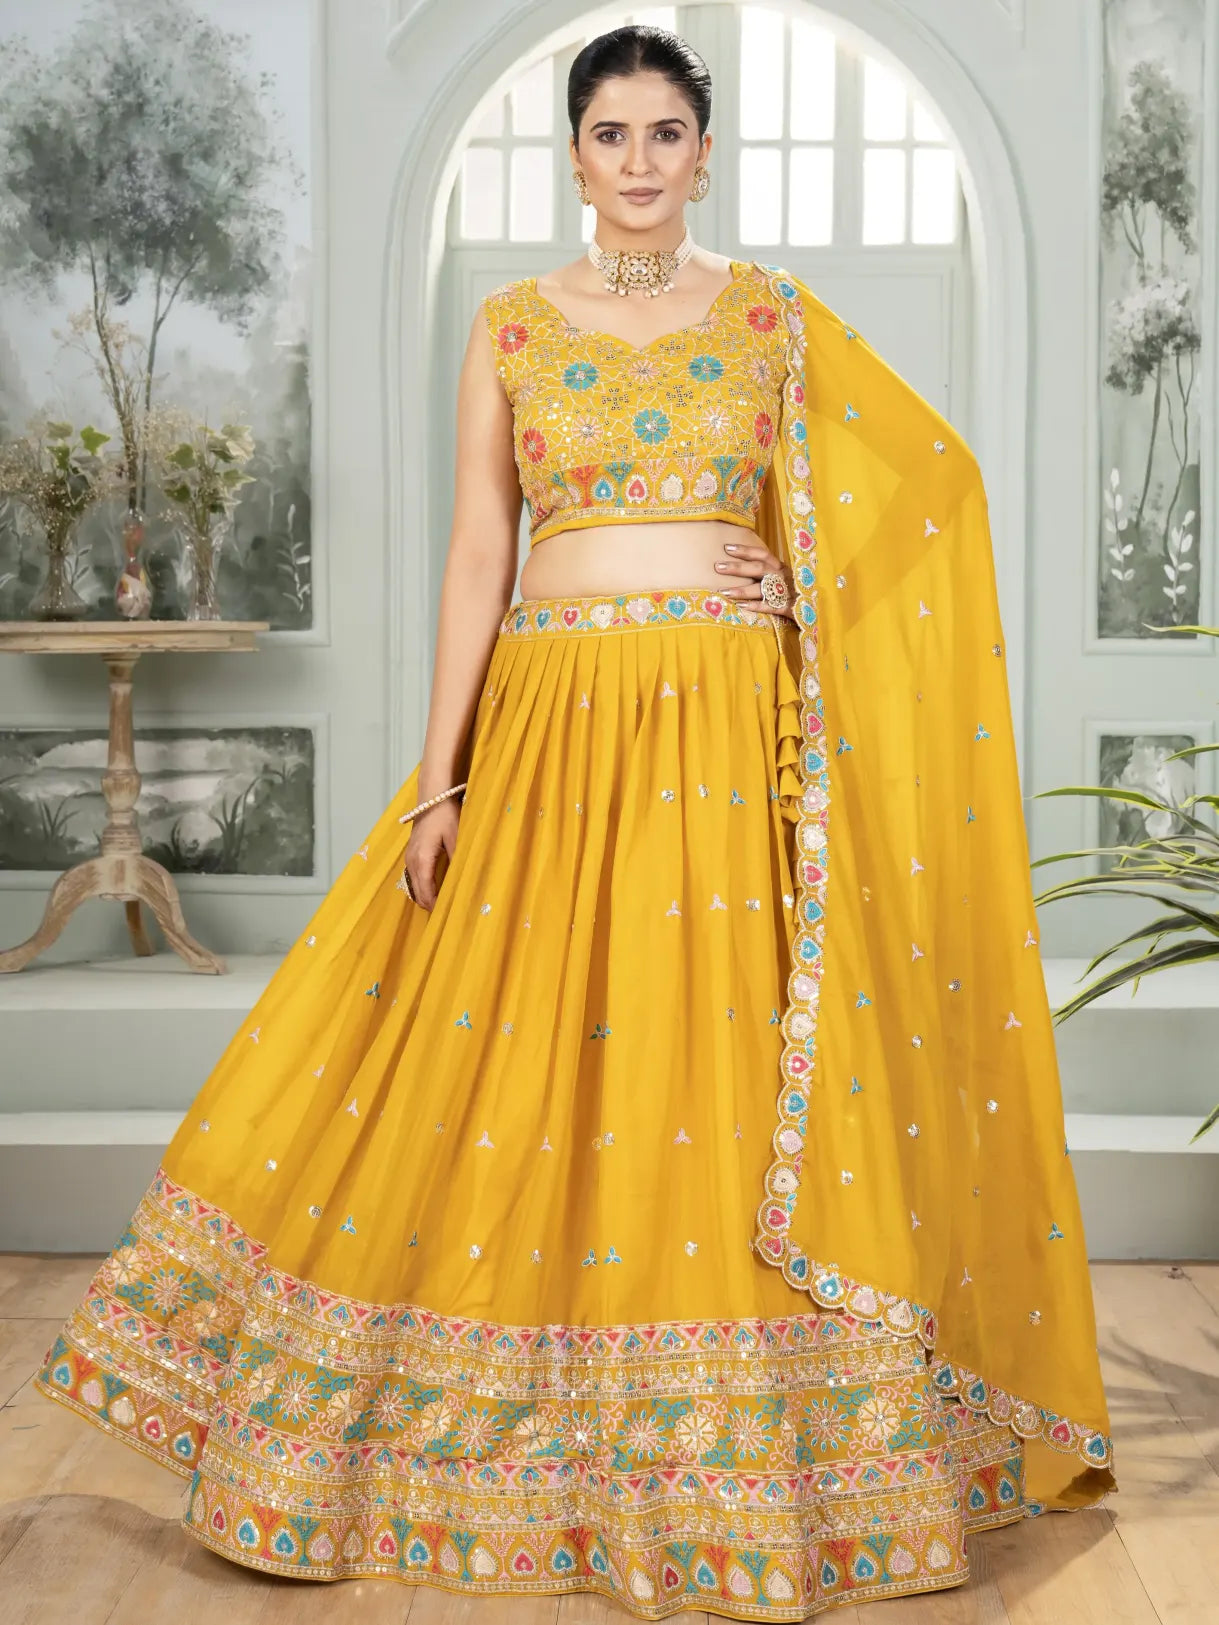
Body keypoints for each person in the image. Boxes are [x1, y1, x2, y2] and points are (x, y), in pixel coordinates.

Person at [33, 23, 1114, 1618]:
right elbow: (480, 551)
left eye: (665, 134)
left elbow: (928, 488)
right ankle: (474, 1431)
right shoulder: (513, 327)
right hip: (548, 729)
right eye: (609, 136)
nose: (637, 165)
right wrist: (440, 770)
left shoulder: (770, 318)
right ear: (575, 153)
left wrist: (794, 584)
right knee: (502, 1054)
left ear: (703, 148)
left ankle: (750, 1454)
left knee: (720, 1062)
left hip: (727, 731)